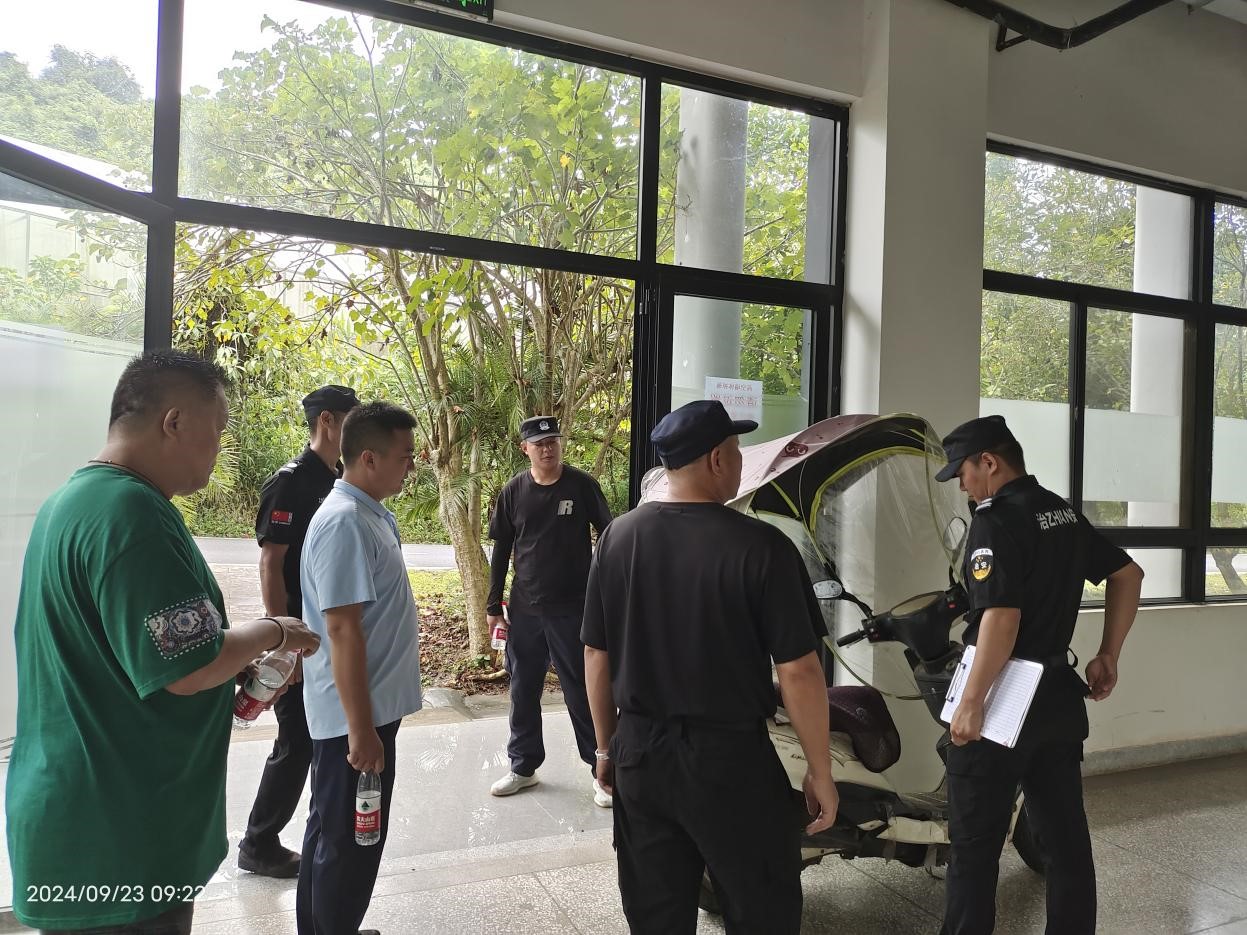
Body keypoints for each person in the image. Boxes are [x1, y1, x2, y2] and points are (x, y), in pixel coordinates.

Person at [5, 349, 321, 935]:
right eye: (217, 430)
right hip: (120, 831)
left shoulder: (76, 501)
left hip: (84, 812)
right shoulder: (131, 515)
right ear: (173, 421)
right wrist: (277, 629)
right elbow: (190, 667)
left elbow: (133, 653)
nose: (219, 447)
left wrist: (232, 668)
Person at [582, 399, 839, 935]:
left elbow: (596, 654)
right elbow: (799, 671)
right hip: (730, 763)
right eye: (737, 451)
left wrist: (606, 749)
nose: (742, 462)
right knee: (761, 908)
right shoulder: (762, 547)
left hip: (641, 756)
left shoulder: (617, 539)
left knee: (655, 916)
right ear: (717, 459)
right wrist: (820, 770)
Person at [936, 414, 1144, 935]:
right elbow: (1128, 574)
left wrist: (971, 702)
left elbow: (1001, 620)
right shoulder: (1061, 513)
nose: (961, 484)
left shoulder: (994, 521)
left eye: (962, 472)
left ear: (989, 462)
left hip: (1004, 701)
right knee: (1065, 844)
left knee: (974, 850)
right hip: (1056, 699)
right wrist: (1109, 654)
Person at [296, 401, 423, 935]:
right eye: (404, 456)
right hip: (355, 719)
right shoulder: (344, 522)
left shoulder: (367, 511)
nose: (411, 465)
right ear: (369, 458)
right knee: (350, 842)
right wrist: (361, 730)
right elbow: (342, 630)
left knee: (334, 830)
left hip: (367, 712)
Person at [238, 384, 359, 878]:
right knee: (298, 740)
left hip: (328, 633)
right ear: (327, 420)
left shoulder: (338, 478)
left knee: (321, 735)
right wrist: (282, 641)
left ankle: (317, 829)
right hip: (298, 638)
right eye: (351, 418)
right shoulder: (291, 481)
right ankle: (258, 842)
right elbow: (272, 562)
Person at [486, 415, 614, 805]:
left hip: (574, 609)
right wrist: (493, 605)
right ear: (525, 448)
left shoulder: (581, 485)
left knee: (582, 690)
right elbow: (501, 549)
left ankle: (602, 772)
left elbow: (608, 535)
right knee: (523, 688)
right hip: (525, 609)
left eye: (553, 442)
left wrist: (607, 592)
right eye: (539, 444)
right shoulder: (513, 491)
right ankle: (523, 766)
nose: (547, 448)